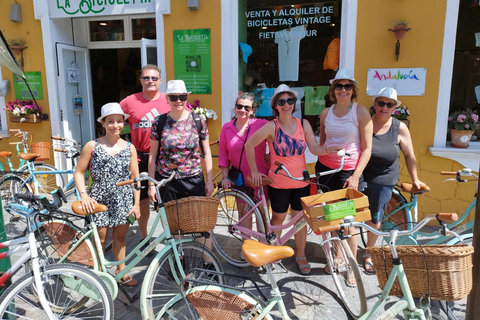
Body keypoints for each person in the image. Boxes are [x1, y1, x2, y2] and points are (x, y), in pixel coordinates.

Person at [246, 84, 342, 275]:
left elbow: (314, 149)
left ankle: (300, 255)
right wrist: (255, 171)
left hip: (301, 182)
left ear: (294, 103)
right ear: (275, 105)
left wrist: (327, 150)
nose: (286, 104)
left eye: (290, 100)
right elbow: (249, 144)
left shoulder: (303, 124)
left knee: (299, 220)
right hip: (279, 182)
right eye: (281, 101)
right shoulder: (271, 126)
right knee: (279, 219)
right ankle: (273, 253)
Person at [74, 102, 140, 286]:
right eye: (110, 121)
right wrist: (84, 195)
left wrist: (136, 204)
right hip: (97, 199)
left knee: (120, 238)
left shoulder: (129, 148)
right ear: (102, 123)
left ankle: (121, 271)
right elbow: (79, 172)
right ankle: (97, 273)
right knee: (99, 238)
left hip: (123, 199)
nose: (115, 125)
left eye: (119, 121)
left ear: (123, 123)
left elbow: (135, 178)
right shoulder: (92, 146)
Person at [316, 68, 373, 277]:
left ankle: (352, 267)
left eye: (347, 86)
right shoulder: (325, 113)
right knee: (331, 217)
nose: (343, 89)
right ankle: (338, 256)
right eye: (339, 85)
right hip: (325, 169)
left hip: (347, 172)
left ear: (353, 90)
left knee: (349, 220)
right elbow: (323, 143)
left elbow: (367, 149)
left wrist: (356, 176)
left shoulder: (361, 112)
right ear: (333, 89)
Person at [363, 87, 425, 273]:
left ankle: (368, 253)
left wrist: (415, 179)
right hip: (360, 175)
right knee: (353, 216)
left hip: (384, 178)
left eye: (389, 104)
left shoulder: (400, 127)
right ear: (374, 104)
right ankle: (344, 253)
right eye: (381, 103)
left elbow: (409, 155)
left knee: (375, 217)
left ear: (394, 108)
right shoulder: (364, 122)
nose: (384, 107)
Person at [147, 79, 214, 221]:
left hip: (193, 178)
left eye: (182, 97)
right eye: (173, 97)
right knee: (173, 224)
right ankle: (178, 245)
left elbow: (206, 153)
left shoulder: (198, 120)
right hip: (167, 179)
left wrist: (209, 181)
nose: (178, 101)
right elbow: (153, 156)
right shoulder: (158, 122)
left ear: (186, 98)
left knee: (200, 222)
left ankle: (202, 245)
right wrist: (151, 185)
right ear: (167, 99)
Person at [120, 64, 170, 252]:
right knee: (141, 201)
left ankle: (169, 238)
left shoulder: (168, 100)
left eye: (154, 78)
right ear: (140, 80)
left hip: (164, 159)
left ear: (160, 80)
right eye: (146, 78)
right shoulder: (129, 101)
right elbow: (114, 122)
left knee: (165, 202)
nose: (150, 81)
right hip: (140, 158)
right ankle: (144, 237)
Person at [218, 92, 269, 231]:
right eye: (239, 106)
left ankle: (263, 248)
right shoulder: (227, 128)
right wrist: (225, 177)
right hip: (240, 179)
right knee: (244, 216)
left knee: (263, 218)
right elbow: (223, 154)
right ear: (235, 108)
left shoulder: (261, 124)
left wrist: (272, 156)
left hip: (260, 177)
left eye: (247, 108)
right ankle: (247, 248)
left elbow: (276, 138)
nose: (243, 110)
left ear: (252, 110)